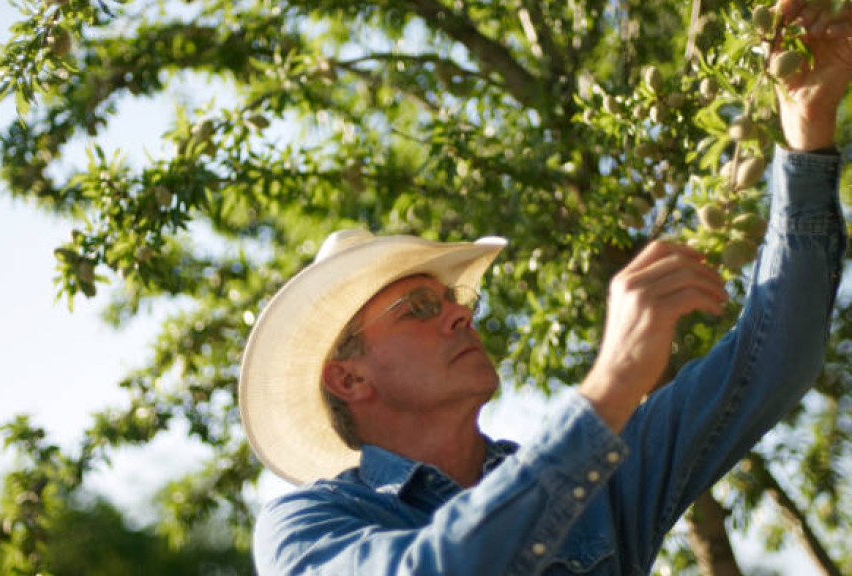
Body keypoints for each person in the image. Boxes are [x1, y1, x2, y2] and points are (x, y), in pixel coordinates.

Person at [238, 1, 849, 573]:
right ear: (348, 378)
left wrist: (806, 126)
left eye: (458, 302)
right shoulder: (307, 524)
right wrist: (610, 387)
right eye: (420, 308)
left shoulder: (597, 480)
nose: (460, 317)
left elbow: (774, 359)